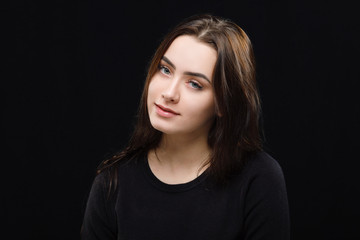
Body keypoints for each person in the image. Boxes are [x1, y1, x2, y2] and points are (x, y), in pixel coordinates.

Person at [81, 14, 290, 240]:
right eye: (165, 69)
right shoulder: (113, 182)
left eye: (194, 84)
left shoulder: (258, 178)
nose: (169, 93)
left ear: (223, 103)